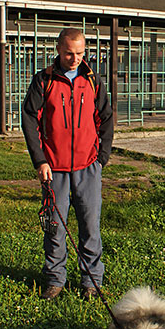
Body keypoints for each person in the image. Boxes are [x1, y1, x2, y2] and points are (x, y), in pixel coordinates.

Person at [22, 28, 113, 299]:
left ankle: (91, 282)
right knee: (54, 226)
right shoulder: (44, 81)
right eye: (69, 53)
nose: (74, 59)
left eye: (80, 53)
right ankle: (55, 279)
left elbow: (106, 118)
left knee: (90, 225)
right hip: (54, 168)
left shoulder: (93, 80)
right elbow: (30, 119)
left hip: (88, 166)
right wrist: (40, 160)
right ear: (59, 50)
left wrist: (101, 158)